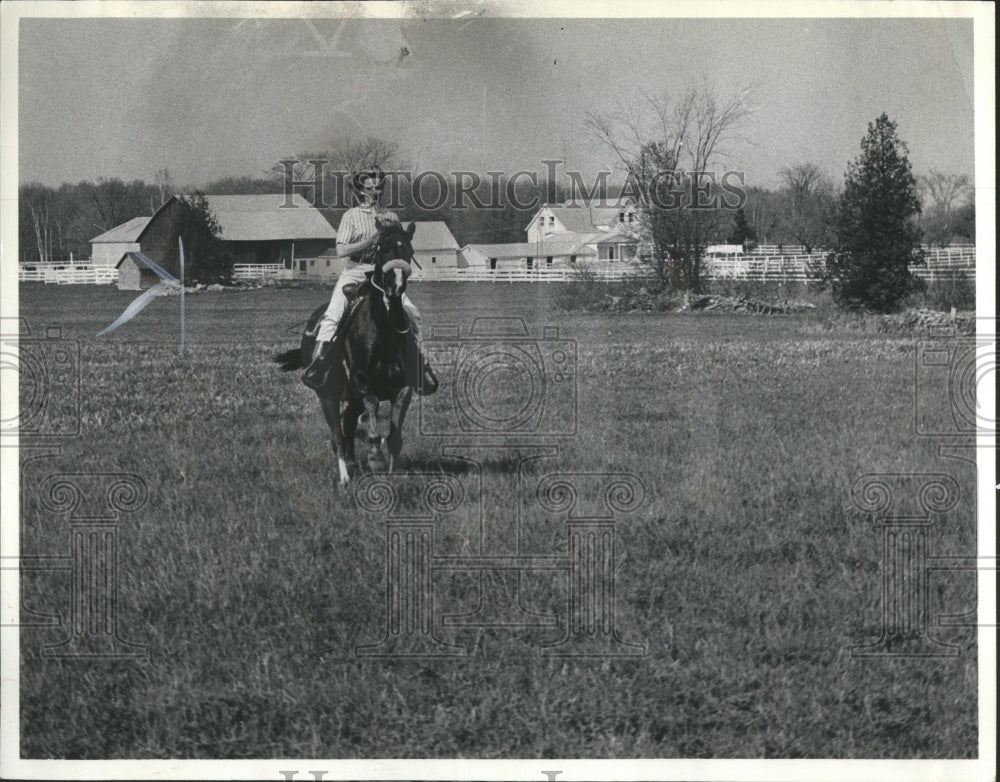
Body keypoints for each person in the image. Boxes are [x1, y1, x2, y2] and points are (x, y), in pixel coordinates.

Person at [303, 168, 433, 391]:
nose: (375, 191)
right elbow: (341, 250)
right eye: (370, 187)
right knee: (333, 315)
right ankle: (318, 365)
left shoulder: (391, 217)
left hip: (383, 273)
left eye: (379, 187)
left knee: (413, 313)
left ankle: (421, 367)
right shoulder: (350, 216)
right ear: (361, 190)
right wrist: (370, 242)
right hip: (355, 269)